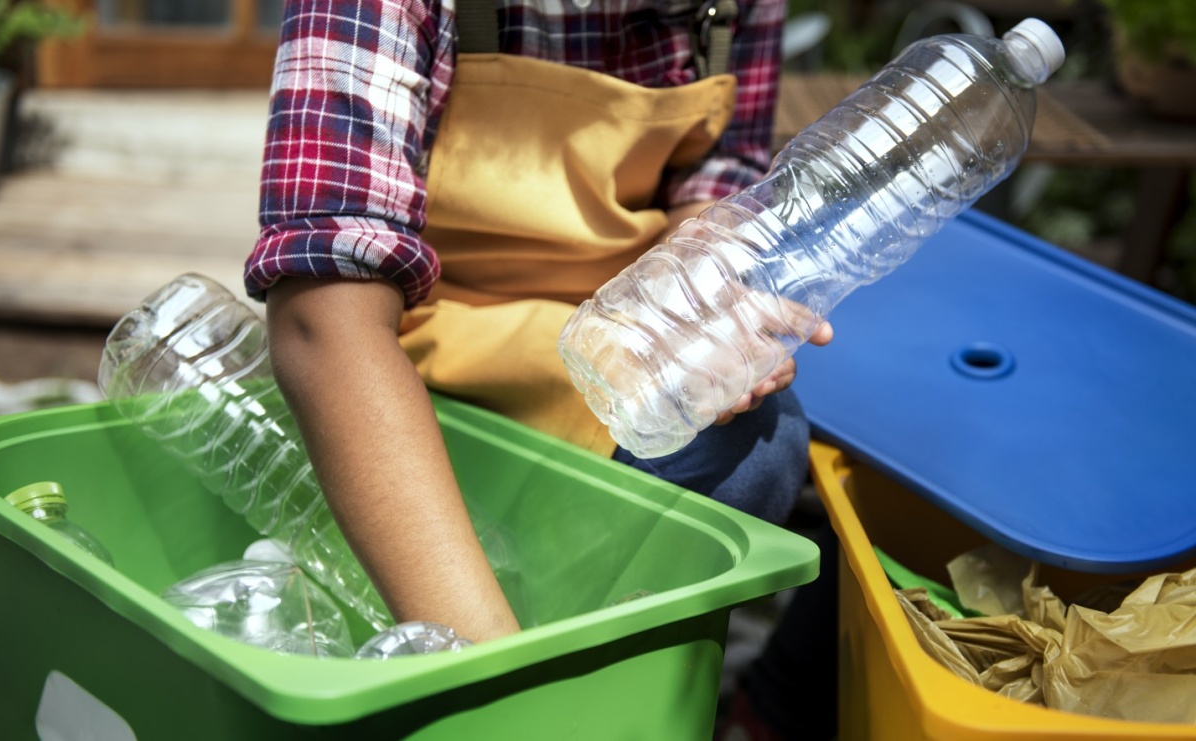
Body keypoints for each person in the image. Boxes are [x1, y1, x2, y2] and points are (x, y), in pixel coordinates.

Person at [244, 0, 832, 684]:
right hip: (417, 342)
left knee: (757, 445)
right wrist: (493, 674)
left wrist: (702, 299)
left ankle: (596, 676)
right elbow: (322, 316)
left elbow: (719, 171)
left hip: (609, 334)